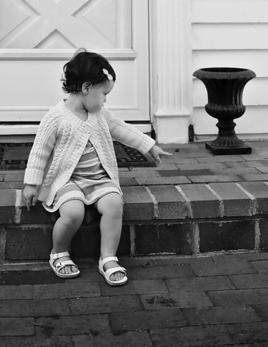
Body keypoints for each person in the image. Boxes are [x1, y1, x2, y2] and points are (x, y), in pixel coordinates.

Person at [22, 50, 169, 285]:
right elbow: (40, 151)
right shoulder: (56, 117)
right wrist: (31, 183)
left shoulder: (100, 114)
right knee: (73, 213)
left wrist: (149, 146)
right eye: (104, 93)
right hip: (67, 181)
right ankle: (59, 251)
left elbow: (123, 129)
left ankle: (108, 257)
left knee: (113, 204)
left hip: (100, 179)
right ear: (87, 87)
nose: (105, 100)